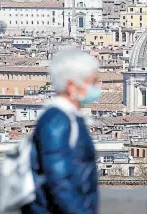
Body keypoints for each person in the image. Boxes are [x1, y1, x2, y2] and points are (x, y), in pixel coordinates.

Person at [21, 48, 101, 214]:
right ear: (72, 86)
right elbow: (60, 181)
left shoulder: (69, 118)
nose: (98, 87)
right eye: (92, 82)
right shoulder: (57, 121)